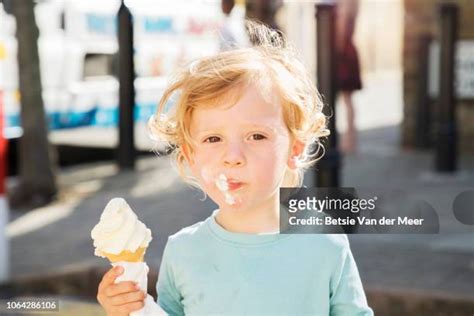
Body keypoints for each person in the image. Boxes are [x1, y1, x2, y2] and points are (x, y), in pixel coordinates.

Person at [96, 22, 373, 316]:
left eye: (257, 136)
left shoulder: (324, 242)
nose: (233, 156)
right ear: (191, 155)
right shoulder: (183, 252)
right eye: (213, 139)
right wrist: (127, 309)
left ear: (295, 149)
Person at [336, 0, 362, 153]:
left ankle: (347, 141)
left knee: (343, 98)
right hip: (349, 49)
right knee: (348, 99)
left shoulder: (345, 2)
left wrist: (335, 50)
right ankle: (351, 140)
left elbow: (342, 23)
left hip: (343, 53)